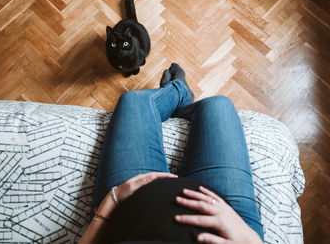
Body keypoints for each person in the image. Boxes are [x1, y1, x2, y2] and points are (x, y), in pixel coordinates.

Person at [79, 63, 264, 243]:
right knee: (218, 104)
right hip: (228, 219)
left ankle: (177, 91)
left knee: (133, 100)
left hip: (126, 210)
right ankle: (182, 96)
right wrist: (250, 239)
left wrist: (105, 212)